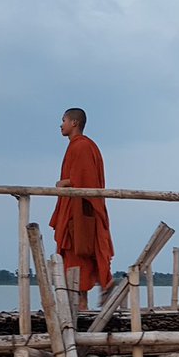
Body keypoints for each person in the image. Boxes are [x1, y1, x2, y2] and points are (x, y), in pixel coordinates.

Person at [49, 107, 114, 310]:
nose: (61, 125)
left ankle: (86, 303)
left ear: (74, 123)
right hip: (74, 212)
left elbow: (86, 180)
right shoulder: (77, 146)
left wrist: (64, 183)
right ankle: (81, 307)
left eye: (64, 120)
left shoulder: (82, 146)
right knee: (75, 258)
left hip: (80, 214)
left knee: (80, 255)